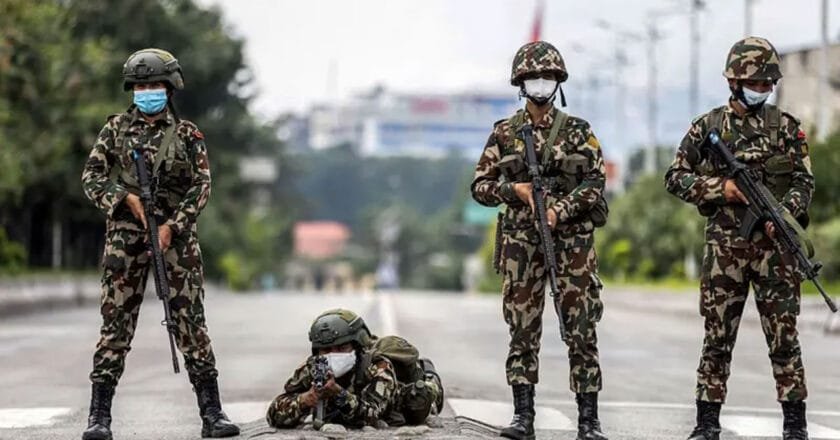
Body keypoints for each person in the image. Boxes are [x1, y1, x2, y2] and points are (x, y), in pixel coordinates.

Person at [81, 48, 239, 439]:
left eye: (154, 85)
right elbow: (92, 176)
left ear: (169, 88)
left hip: (176, 240)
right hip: (125, 239)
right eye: (140, 85)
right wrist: (124, 198)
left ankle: (212, 414)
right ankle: (99, 417)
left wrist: (174, 225)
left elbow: (201, 186)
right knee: (115, 327)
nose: (146, 91)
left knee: (191, 325)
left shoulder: (187, 135)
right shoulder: (115, 130)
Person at [664, 37, 814, 440]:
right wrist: (723, 189)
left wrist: (783, 215)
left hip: (776, 252)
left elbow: (803, 182)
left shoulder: (786, 129)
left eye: (768, 84)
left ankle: (796, 426)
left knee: (784, 341)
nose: (762, 90)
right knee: (717, 338)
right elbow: (675, 177)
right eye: (756, 82)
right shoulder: (708, 128)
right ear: (734, 80)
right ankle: (707, 423)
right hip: (725, 251)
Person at [471, 40, 609, 440]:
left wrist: (558, 210)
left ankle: (589, 421)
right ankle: (523, 416)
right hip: (521, 244)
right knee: (522, 328)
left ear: (559, 81)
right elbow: (479, 185)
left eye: (548, 77)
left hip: (573, 246)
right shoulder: (504, 133)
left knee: (581, 328)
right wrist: (516, 191)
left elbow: (596, 183)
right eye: (534, 77)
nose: (541, 83)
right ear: (521, 82)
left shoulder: (580, 132)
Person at [266, 309, 443, 429]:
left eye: (342, 348)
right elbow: (274, 414)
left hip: (397, 400)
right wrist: (305, 400)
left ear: (357, 346)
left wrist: (339, 395)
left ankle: (428, 375)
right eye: (326, 350)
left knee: (421, 399)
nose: (332, 355)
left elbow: (372, 415)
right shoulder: (313, 368)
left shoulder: (378, 366)